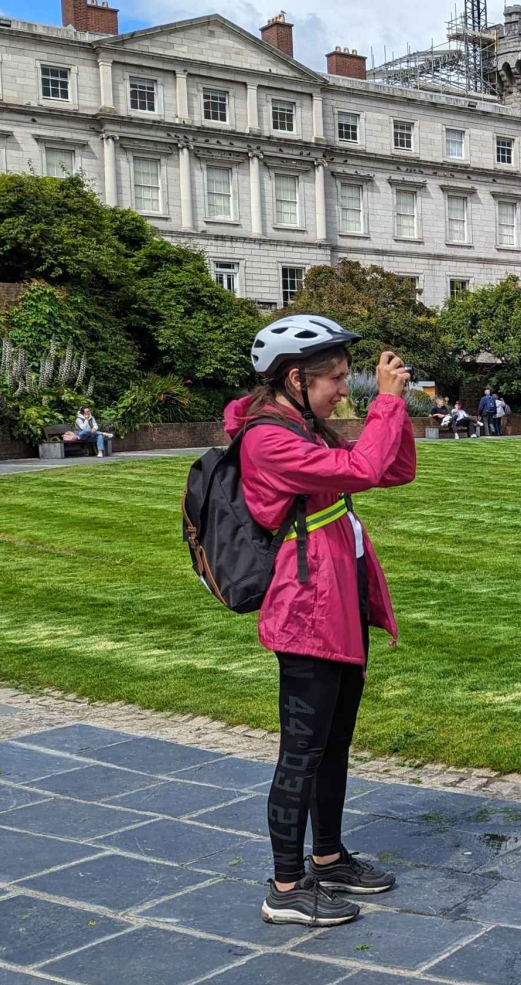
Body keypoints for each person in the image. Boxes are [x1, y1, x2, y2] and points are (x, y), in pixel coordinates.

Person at [224, 314, 415, 928]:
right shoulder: (268, 440)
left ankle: (328, 858)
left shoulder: (305, 427)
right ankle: (285, 886)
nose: (344, 389)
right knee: (301, 752)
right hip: (307, 611)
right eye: (334, 378)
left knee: (334, 743)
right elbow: (361, 471)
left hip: (338, 602)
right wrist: (386, 404)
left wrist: (395, 410)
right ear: (294, 379)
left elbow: (393, 469)